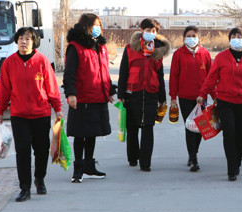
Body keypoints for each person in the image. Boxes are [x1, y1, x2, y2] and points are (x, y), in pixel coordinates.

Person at [0, 27, 62, 202]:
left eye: (28, 39)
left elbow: (52, 88)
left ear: (34, 42)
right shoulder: (9, 63)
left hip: (41, 114)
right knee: (22, 151)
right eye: (21, 38)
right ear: (16, 41)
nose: (24, 42)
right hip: (19, 115)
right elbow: (4, 89)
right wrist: (0, 111)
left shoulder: (42, 61)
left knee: (41, 150)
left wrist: (58, 109)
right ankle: (24, 187)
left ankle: (39, 179)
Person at [197, 27, 242, 181]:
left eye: (239, 36)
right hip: (225, 102)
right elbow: (211, 77)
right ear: (229, 40)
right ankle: (232, 168)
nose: (236, 38)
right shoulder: (221, 58)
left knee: (241, 135)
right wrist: (202, 93)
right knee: (229, 132)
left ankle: (237, 161)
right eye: (233, 36)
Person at [63, 13, 117, 183]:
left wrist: (110, 90)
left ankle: (89, 167)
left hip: (98, 97)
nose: (97, 28)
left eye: (99, 25)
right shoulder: (75, 47)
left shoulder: (100, 46)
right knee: (80, 134)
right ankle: (77, 169)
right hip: (82, 97)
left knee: (92, 134)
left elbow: (104, 72)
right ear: (85, 26)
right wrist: (71, 94)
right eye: (94, 25)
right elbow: (69, 73)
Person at [118, 18, 170, 172]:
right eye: (148, 30)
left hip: (150, 94)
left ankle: (145, 162)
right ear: (141, 31)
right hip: (132, 92)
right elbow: (123, 72)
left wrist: (162, 98)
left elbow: (160, 76)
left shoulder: (158, 52)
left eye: (153, 31)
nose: (150, 33)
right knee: (132, 127)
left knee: (148, 127)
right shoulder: (130, 49)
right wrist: (121, 94)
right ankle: (133, 158)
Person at [169, 26, 212, 172]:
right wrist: (173, 97)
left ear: (199, 37)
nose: (191, 37)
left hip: (202, 97)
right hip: (185, 96)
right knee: (190, 126)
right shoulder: (178, 54)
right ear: (184, 38)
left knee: (200, 127)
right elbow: (174, 76)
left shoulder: (205, 53)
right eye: (188, 35)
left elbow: (211, 77)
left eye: (194, 35)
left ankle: (194, 152)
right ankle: (193, 158)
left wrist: (215, 96)